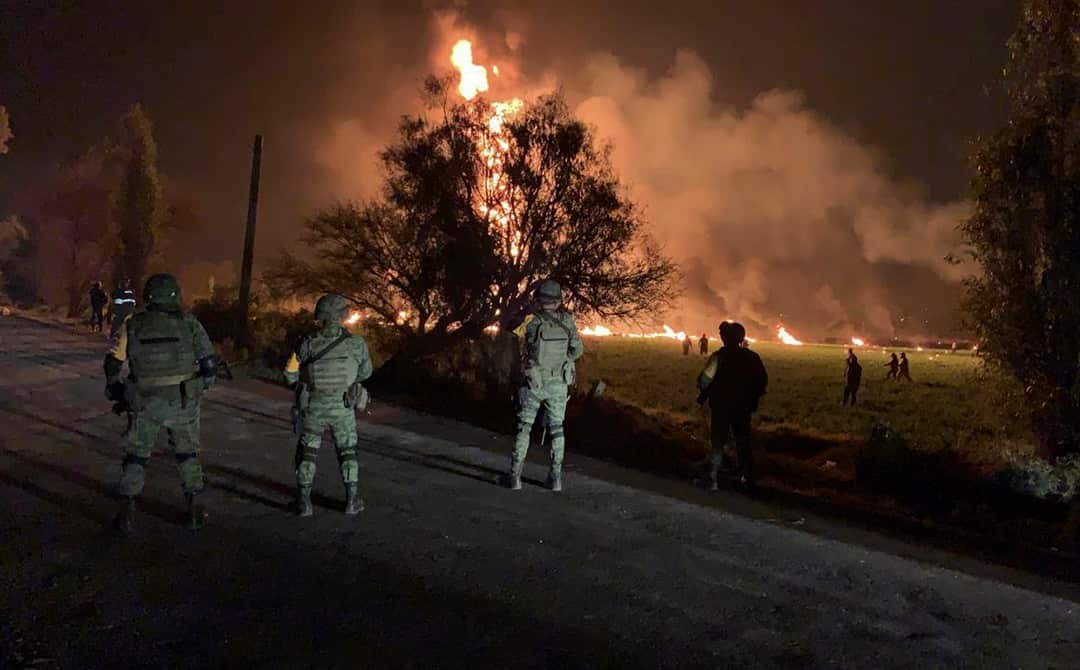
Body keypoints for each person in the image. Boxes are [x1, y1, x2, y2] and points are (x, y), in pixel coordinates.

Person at [104, 274, 218, 532]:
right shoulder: (190, 323)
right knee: (187, 454)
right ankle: (194, 509)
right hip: (182, 401)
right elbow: (209, 365)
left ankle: (126, 513)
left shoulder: (132, 324)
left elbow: (112, 362)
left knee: (136, 455)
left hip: (143, 400)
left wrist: (116, 390)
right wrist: (201, 387)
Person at [283, 294, 373, 517]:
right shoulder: (356, 344)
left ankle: (304, 503)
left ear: (320, 315)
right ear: (342, 316)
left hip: (313, 407)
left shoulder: (306, 343)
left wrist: (300, 386)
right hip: (343, 407)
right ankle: (352, 501)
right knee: (347, 451)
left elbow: (289, 373)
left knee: (308, 452)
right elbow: (366, 372)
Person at [505, 279, 584, 492]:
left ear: (539, 299)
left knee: (524, 427)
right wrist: (563, 361)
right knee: (557, 429)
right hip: (559, 383)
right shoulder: (567, 321)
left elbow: (511, 336)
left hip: (534, 382)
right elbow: (577, 350)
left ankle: (514, 477)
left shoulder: (530, 321)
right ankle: (555, 479)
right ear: (558, 301)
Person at [696, 321, 768, 493]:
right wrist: (751, 399)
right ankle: (748, 479)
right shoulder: (752, 358)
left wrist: (704, 392)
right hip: (742, 408)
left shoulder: (719, 357)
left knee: (717, 442)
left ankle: (713, 479)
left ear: (725, 338)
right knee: (743, 442)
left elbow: (704, 381)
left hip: (721, 407)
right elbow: (762, 382)